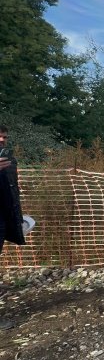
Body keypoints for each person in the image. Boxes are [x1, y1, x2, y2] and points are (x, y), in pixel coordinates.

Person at [0, 125, 27, 330]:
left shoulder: (8, 162)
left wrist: (18, 219)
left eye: (4, 137)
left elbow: (13, 192)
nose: (2, 140)